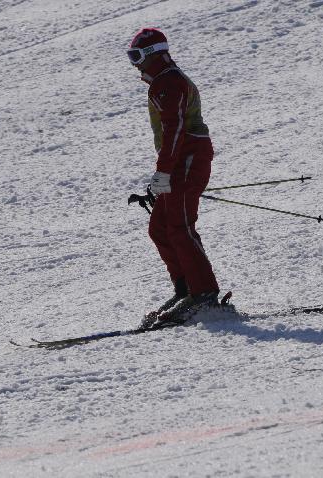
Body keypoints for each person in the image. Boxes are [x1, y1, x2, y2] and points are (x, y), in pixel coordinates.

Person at [126, 28, 220, 326]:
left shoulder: (168, 82)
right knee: (160, 228)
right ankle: (186, 289)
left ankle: (203, 294)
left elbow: (175, 129)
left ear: (152, 54)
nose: (134, 64)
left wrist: (164, 171)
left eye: (136, 56)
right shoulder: (163, 82)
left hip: (189, 158)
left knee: (179, 226)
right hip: (180, 160)